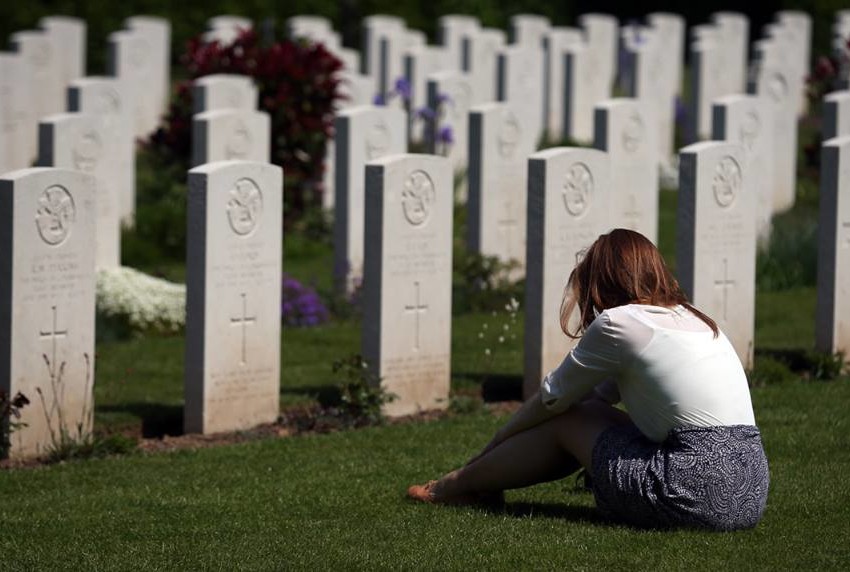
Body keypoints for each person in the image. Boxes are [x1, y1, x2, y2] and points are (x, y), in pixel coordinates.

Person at [407, 229, 769, 530]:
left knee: (565, 418)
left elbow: (554, 397)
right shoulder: (699, 319)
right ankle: (481, 482)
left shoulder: (620, 322)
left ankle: (458, 484)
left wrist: (496, 441)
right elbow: (599, 397)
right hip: (749, 488)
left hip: (692, 491)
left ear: (603, 280)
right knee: (585, 410)